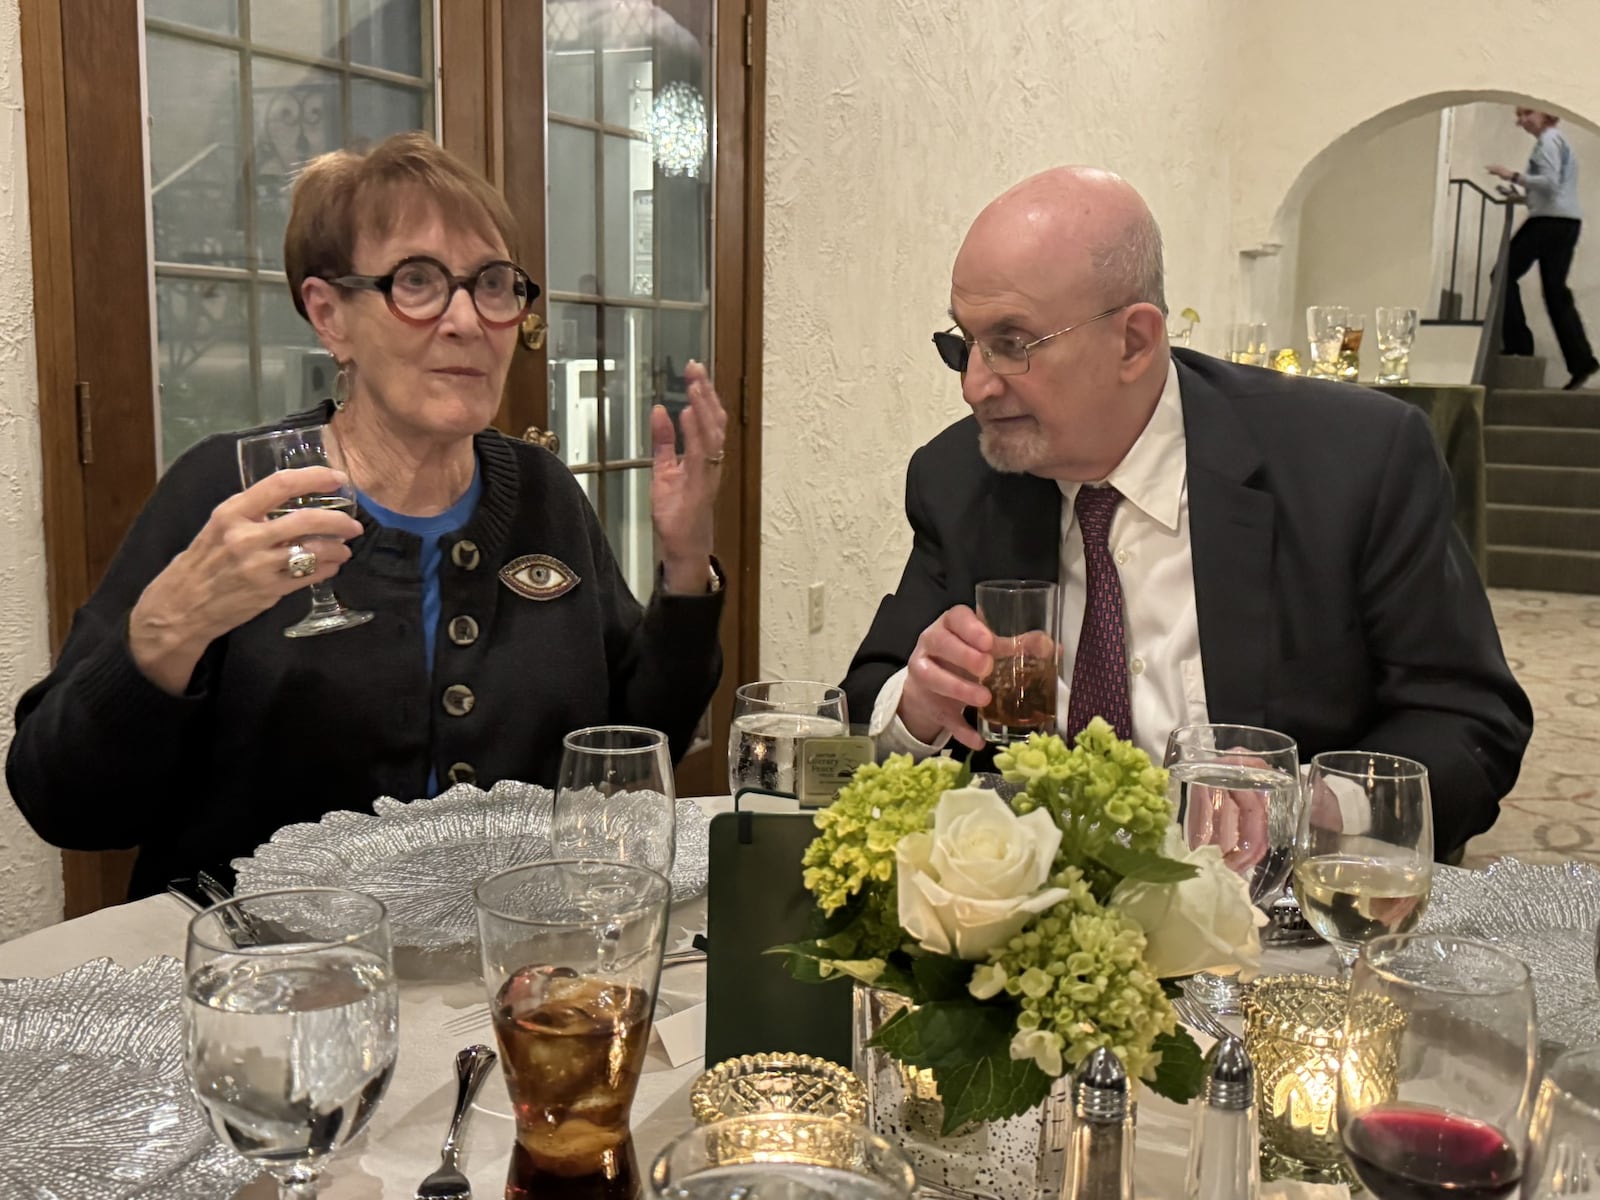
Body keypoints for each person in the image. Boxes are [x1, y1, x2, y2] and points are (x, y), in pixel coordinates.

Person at [8, 132, 727, 897]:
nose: (467, 320)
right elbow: (64, 804)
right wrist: (167, 633)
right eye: (417, 281)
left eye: (492, 283)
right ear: (330, 317)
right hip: (268, 985)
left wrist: (685, 575)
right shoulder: (229, 492)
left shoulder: (544, 492)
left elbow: (631, 760)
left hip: (502, 975)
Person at [842, 166, 1532, 861]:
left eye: (1012, 344)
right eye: (964, 343)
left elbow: (1470, 723)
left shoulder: (1353, 462)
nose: (974, 385)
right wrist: (919, 704)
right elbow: (868, 697)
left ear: (1135, 342)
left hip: (1284, 914)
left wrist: (1311, 803)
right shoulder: (963, 476)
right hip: (1044, 925)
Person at [1490, 108, 1600, 390]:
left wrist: (1512, 175)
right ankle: (1582, 361)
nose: (1522, 121)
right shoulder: (1558, 142)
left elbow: (1550, 184)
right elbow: (1554, 191)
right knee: (1555, 293)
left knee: (1501, 275)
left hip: (1550, 222)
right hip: (1565, 221)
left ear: (1546, 115)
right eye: (1519, 115)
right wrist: (1522, 196)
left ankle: (1519, 344)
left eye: (1528, 114)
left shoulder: (1549, 140)